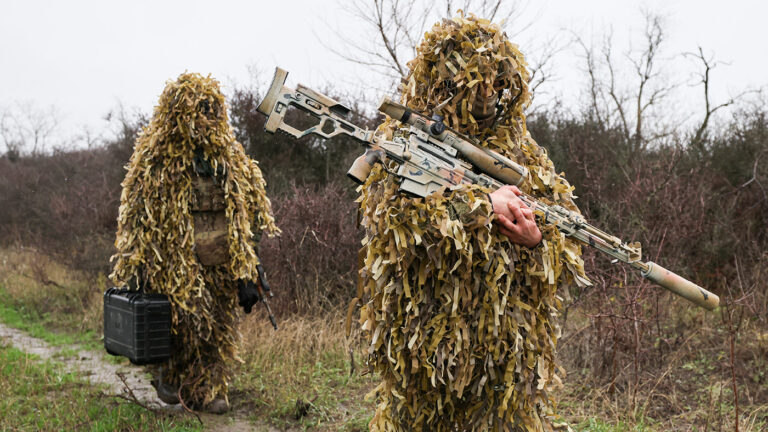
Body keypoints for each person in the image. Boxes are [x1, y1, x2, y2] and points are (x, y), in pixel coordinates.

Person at [357, 14, 587, 431]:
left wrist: (537, 242)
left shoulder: (524, 154)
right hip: (423, 344)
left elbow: (571, 242)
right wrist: (482, 205)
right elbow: (390, 226)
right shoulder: (404, 139)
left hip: (507, 350)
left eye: (496, 82)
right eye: (474, 81)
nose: (486, 94)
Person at [110, 73, 279, 413]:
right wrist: (136, 265)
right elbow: (136, 218)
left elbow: (250, 217)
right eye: (198, 109)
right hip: (174, 264)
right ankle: (172, 377)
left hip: (220, 262)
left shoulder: (232, 160)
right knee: (183, 324)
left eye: (211, 109)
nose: (205, 118)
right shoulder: (155, 160)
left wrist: (250, 268)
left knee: (218, 328)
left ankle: (211, 390)